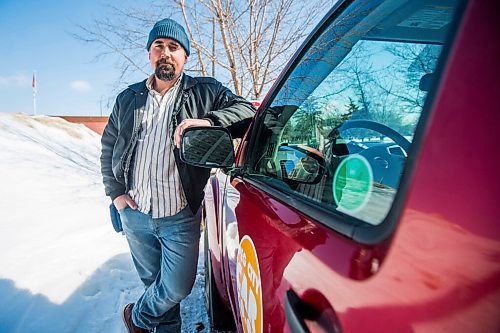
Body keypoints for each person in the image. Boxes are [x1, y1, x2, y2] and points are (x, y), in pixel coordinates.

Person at [100, 18, 255, 333]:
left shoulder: (205, 91)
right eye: (159, 46)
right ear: (150, 54)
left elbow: (248, 110)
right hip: (136, 214)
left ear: (184, 56)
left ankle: (138, 317)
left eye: (174, 47)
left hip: (180, 216)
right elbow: (108, 148)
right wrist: (116, 193)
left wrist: (210, 121)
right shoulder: (128, 98)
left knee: (176, 288)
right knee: (155, 286)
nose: (166, 52)